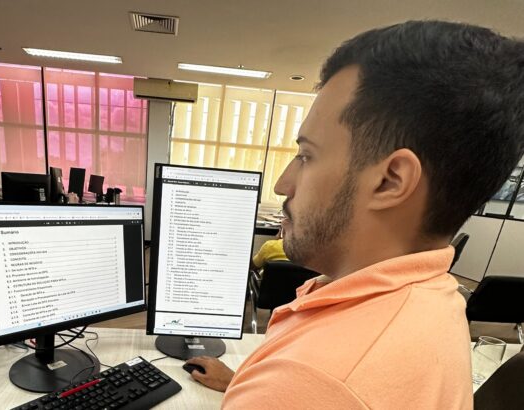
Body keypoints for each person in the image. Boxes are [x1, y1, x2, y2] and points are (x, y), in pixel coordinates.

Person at [185, 20, 524, 409]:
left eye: (306, 155)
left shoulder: (309, 379)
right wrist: (247, 384)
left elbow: (320, 388)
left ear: (390, 181)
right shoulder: (439, 300)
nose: (282, 184)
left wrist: (276, 391)